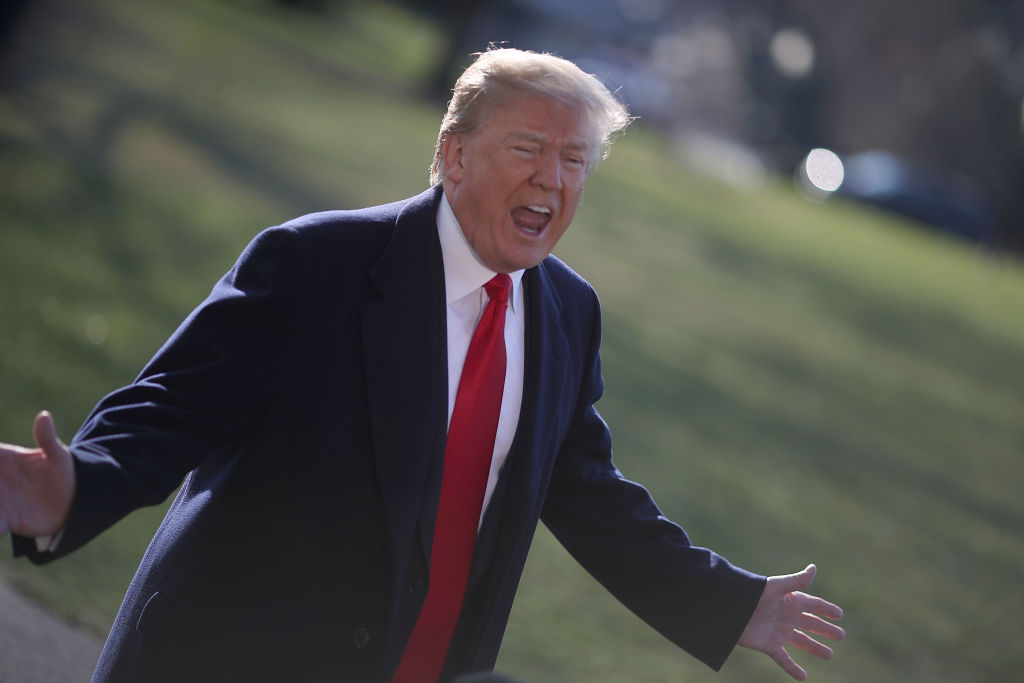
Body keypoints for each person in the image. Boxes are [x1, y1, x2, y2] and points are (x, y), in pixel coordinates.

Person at [0, 47, 843, 682]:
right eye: (527, 149)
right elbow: (171, 408)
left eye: (575, 159)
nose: (553, 178)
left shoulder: (566, 312)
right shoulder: (317, 263)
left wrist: (729, 601)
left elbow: (586, 489)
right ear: (454, 153)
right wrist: (77, 486)